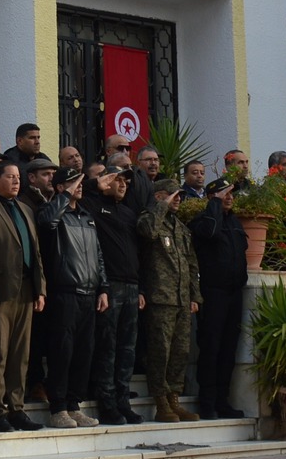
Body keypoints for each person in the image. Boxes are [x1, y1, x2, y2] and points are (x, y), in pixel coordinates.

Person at [0, 159, 45, 432]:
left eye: (18, 177)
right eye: (10, 177)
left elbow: (35, 253)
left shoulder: (25, 209)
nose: (16, 181)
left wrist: (41, 290)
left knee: (20, 354)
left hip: (26, 289)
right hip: (0, 292)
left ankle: (17, 409)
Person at [37, 166, 109, 428]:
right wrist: (63, 198)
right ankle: (57, 408)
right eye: (72, 181)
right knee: (62, 352)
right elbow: (46, 223)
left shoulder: (86, 216)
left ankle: (73, 404)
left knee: (83, 352)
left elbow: (98, 255)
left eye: (80, 180)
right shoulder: (52, 211)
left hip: (89, 294)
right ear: (59, 188)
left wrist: (104, 288)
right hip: (64, 293)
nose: (79, 184)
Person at [81, 166, 143, 425]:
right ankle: (106, 403)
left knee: (127, 349)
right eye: (117, 180)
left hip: (131, 287)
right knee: (107, 347)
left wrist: (141, 289)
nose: (122, 185)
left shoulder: (128, 212)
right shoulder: (94, 207)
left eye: (126, 182)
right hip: (109, 286)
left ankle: (122, 400)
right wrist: (97, 186)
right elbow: (80, 200)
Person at [138, 183, 201, 421]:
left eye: (181, 195)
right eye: (174, 195)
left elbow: (192, 264)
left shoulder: (181, 228)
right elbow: (148, 233)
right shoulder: (149, 218)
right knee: (160, 351)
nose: (178, 199)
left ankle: (174, 398)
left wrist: (195, 295)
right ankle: (161, 401)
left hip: (182, 298)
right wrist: (160, 208)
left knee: (180, 351)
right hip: (160, 297)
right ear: (159, 197)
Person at [189, 177, 248, 419]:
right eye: (225, 194)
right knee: (211, 347)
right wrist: (213, 205)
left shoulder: (234, 222)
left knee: (228, 349)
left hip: (234, 293)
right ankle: (207, 402)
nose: (230, 198)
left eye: (231, 194)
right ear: (213, 197)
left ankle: (222, 400)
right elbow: (210, 233)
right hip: (213, 293)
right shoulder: (204, 221)